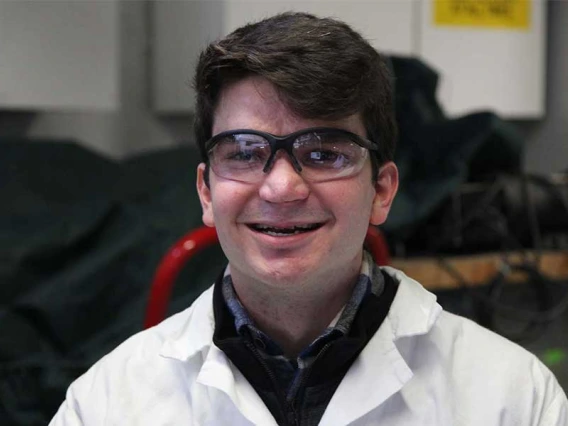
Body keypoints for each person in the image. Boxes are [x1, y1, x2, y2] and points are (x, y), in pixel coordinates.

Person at [50, 12, 567, 426]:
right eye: (246, 152)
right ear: (207, 192)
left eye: (324, 154)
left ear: (382, 191)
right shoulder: (109, 401)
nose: (281, 187)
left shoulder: (511, 399)